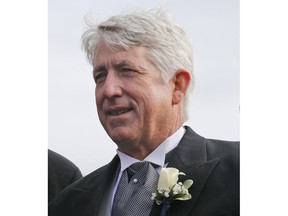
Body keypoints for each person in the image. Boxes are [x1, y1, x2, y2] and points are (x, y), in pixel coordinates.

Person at [49, 8, 239, 216]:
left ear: (177, 86)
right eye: (100, 77)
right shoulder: (68, 203)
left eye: (127, 71)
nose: (108, 90)